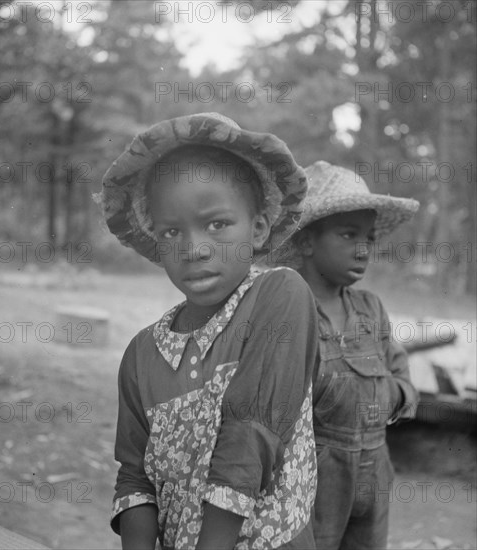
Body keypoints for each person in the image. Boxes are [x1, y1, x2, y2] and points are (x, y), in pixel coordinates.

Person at [97, 112, 320, 550]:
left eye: (217, 224)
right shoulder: (142, 353)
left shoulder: (280, 296)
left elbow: (251, 431)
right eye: (172, 231)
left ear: (257, 229)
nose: (194, 248)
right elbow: (135, 478)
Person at [280, 160, 420, 550]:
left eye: (369, 238)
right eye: (348, 234)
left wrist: (390, 396)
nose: (363, 249)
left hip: (375, 472)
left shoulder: (370, 310)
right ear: (306, 241)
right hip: (313, 476)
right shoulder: (289, 312)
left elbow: (404, 383)